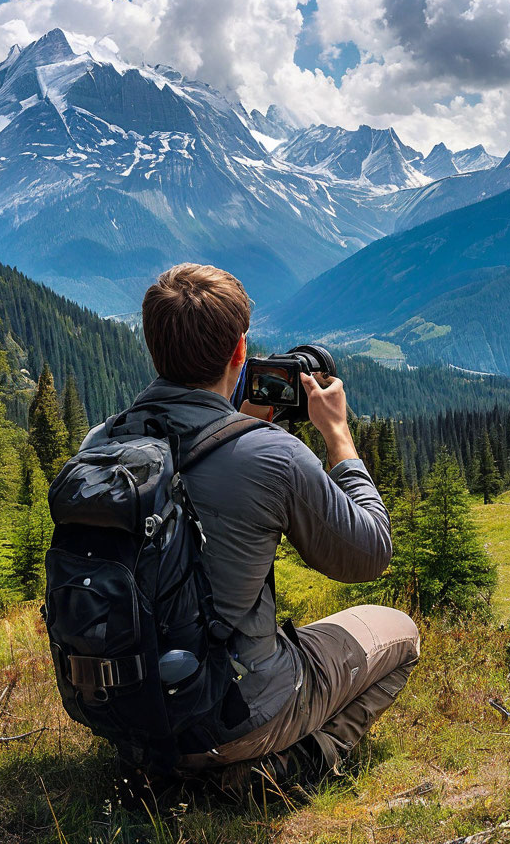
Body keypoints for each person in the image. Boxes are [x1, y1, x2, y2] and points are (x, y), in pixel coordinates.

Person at [135, 262, 419, 788]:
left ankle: (167, 761)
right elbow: (371, 551)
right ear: (240, 352)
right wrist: (339, 437)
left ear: (155, 349)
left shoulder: (106, 444)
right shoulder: (270, 455)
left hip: (130, 712)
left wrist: (234, 423)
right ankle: (284, 765)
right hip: (237, 712)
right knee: (401, 633)